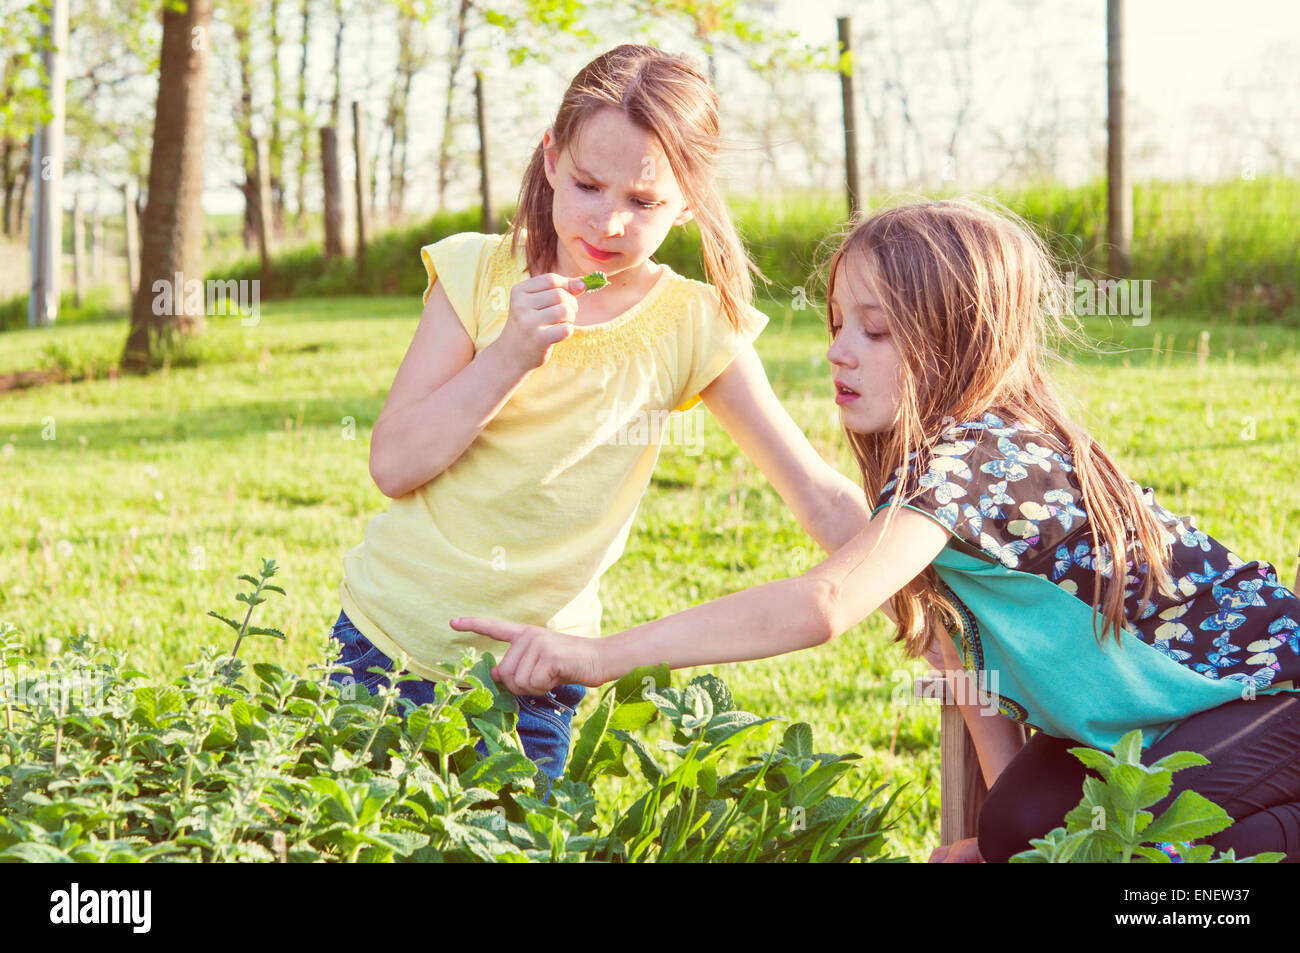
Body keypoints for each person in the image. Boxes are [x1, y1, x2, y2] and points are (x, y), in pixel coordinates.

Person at [452, 197, 1300, 860]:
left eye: (877, 330)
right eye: (836, 325)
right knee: (1031, 825)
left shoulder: (983, 456)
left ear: (959, 341)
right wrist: (1005, 842)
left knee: (1133, 841)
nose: (838, 351)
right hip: (1157, 729)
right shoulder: (935, 465)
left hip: (1267, 700)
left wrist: (596, 656)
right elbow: (960, 651)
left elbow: (825, 603)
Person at [327, 45, 873, 788]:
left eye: (644, 202)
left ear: (686, 203)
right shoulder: (478, 272)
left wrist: (919, 573)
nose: (609, 220)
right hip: (381, 645)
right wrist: (510, 354)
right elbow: (393, 463)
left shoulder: (692, 322)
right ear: (551, 159)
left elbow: (813, 490)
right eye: (588, 183)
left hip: (532, 674)